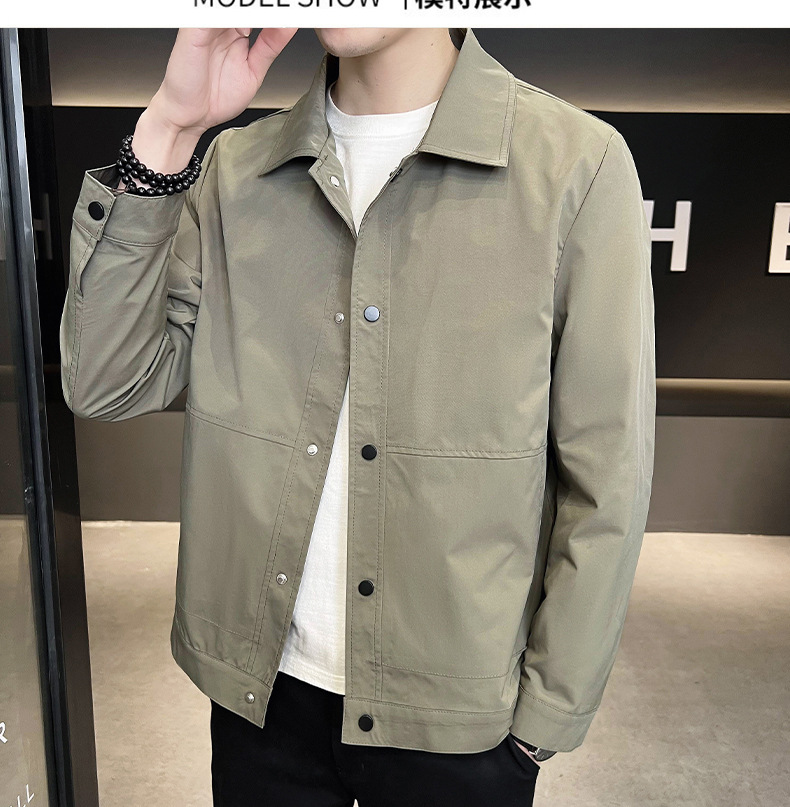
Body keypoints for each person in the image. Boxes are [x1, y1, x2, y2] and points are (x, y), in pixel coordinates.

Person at [59, 26, 656, 807]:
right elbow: (106, 381)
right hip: (262, 703)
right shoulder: (236, 168)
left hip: (459, 727)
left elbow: (608, 476)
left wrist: (543, 720)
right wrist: (170, 129)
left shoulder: (576, 165)